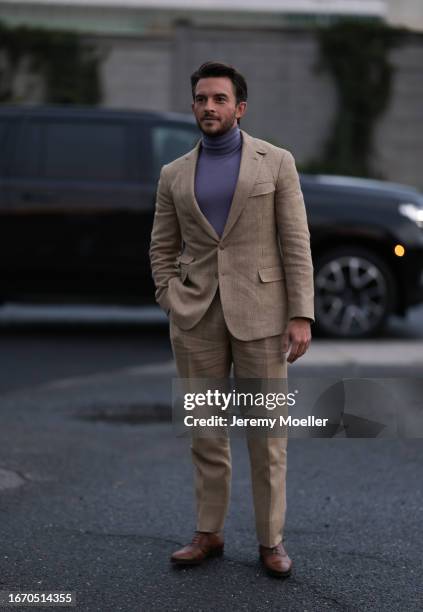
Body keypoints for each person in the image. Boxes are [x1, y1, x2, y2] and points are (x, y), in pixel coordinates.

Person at [149, 61, 314, 578]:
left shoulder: (276, 162)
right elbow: (161, 246)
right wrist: (170, 296)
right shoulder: (174, 173)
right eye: (201, 99)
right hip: (196, 317)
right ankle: (208, 532)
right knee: (205, 432)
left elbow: (296, 242)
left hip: (262, 316)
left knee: (267, 437)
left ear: (240, 108)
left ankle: (270, 541)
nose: (209, 107)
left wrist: (301, 313)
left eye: (219, 99)